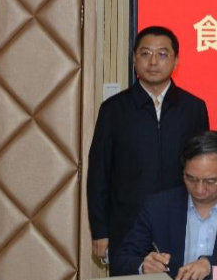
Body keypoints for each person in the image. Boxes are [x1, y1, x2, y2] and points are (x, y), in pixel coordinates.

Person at [88, 26, 210, 264]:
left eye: (162, 54)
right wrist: (100, 230)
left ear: (176, 61)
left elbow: (204, 169)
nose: (153, 62)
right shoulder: (114, 109)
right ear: (134, 59)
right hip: (127, 225)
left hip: (182, 223)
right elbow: (99, 172)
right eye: (145, 54)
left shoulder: (193, 108)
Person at [112, 131, 217, 280]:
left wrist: (211, 266)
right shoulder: (158, 206)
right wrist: (143, 266)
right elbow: (122, 259)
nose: (199, 189)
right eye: (191, 179)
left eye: (210, 181)